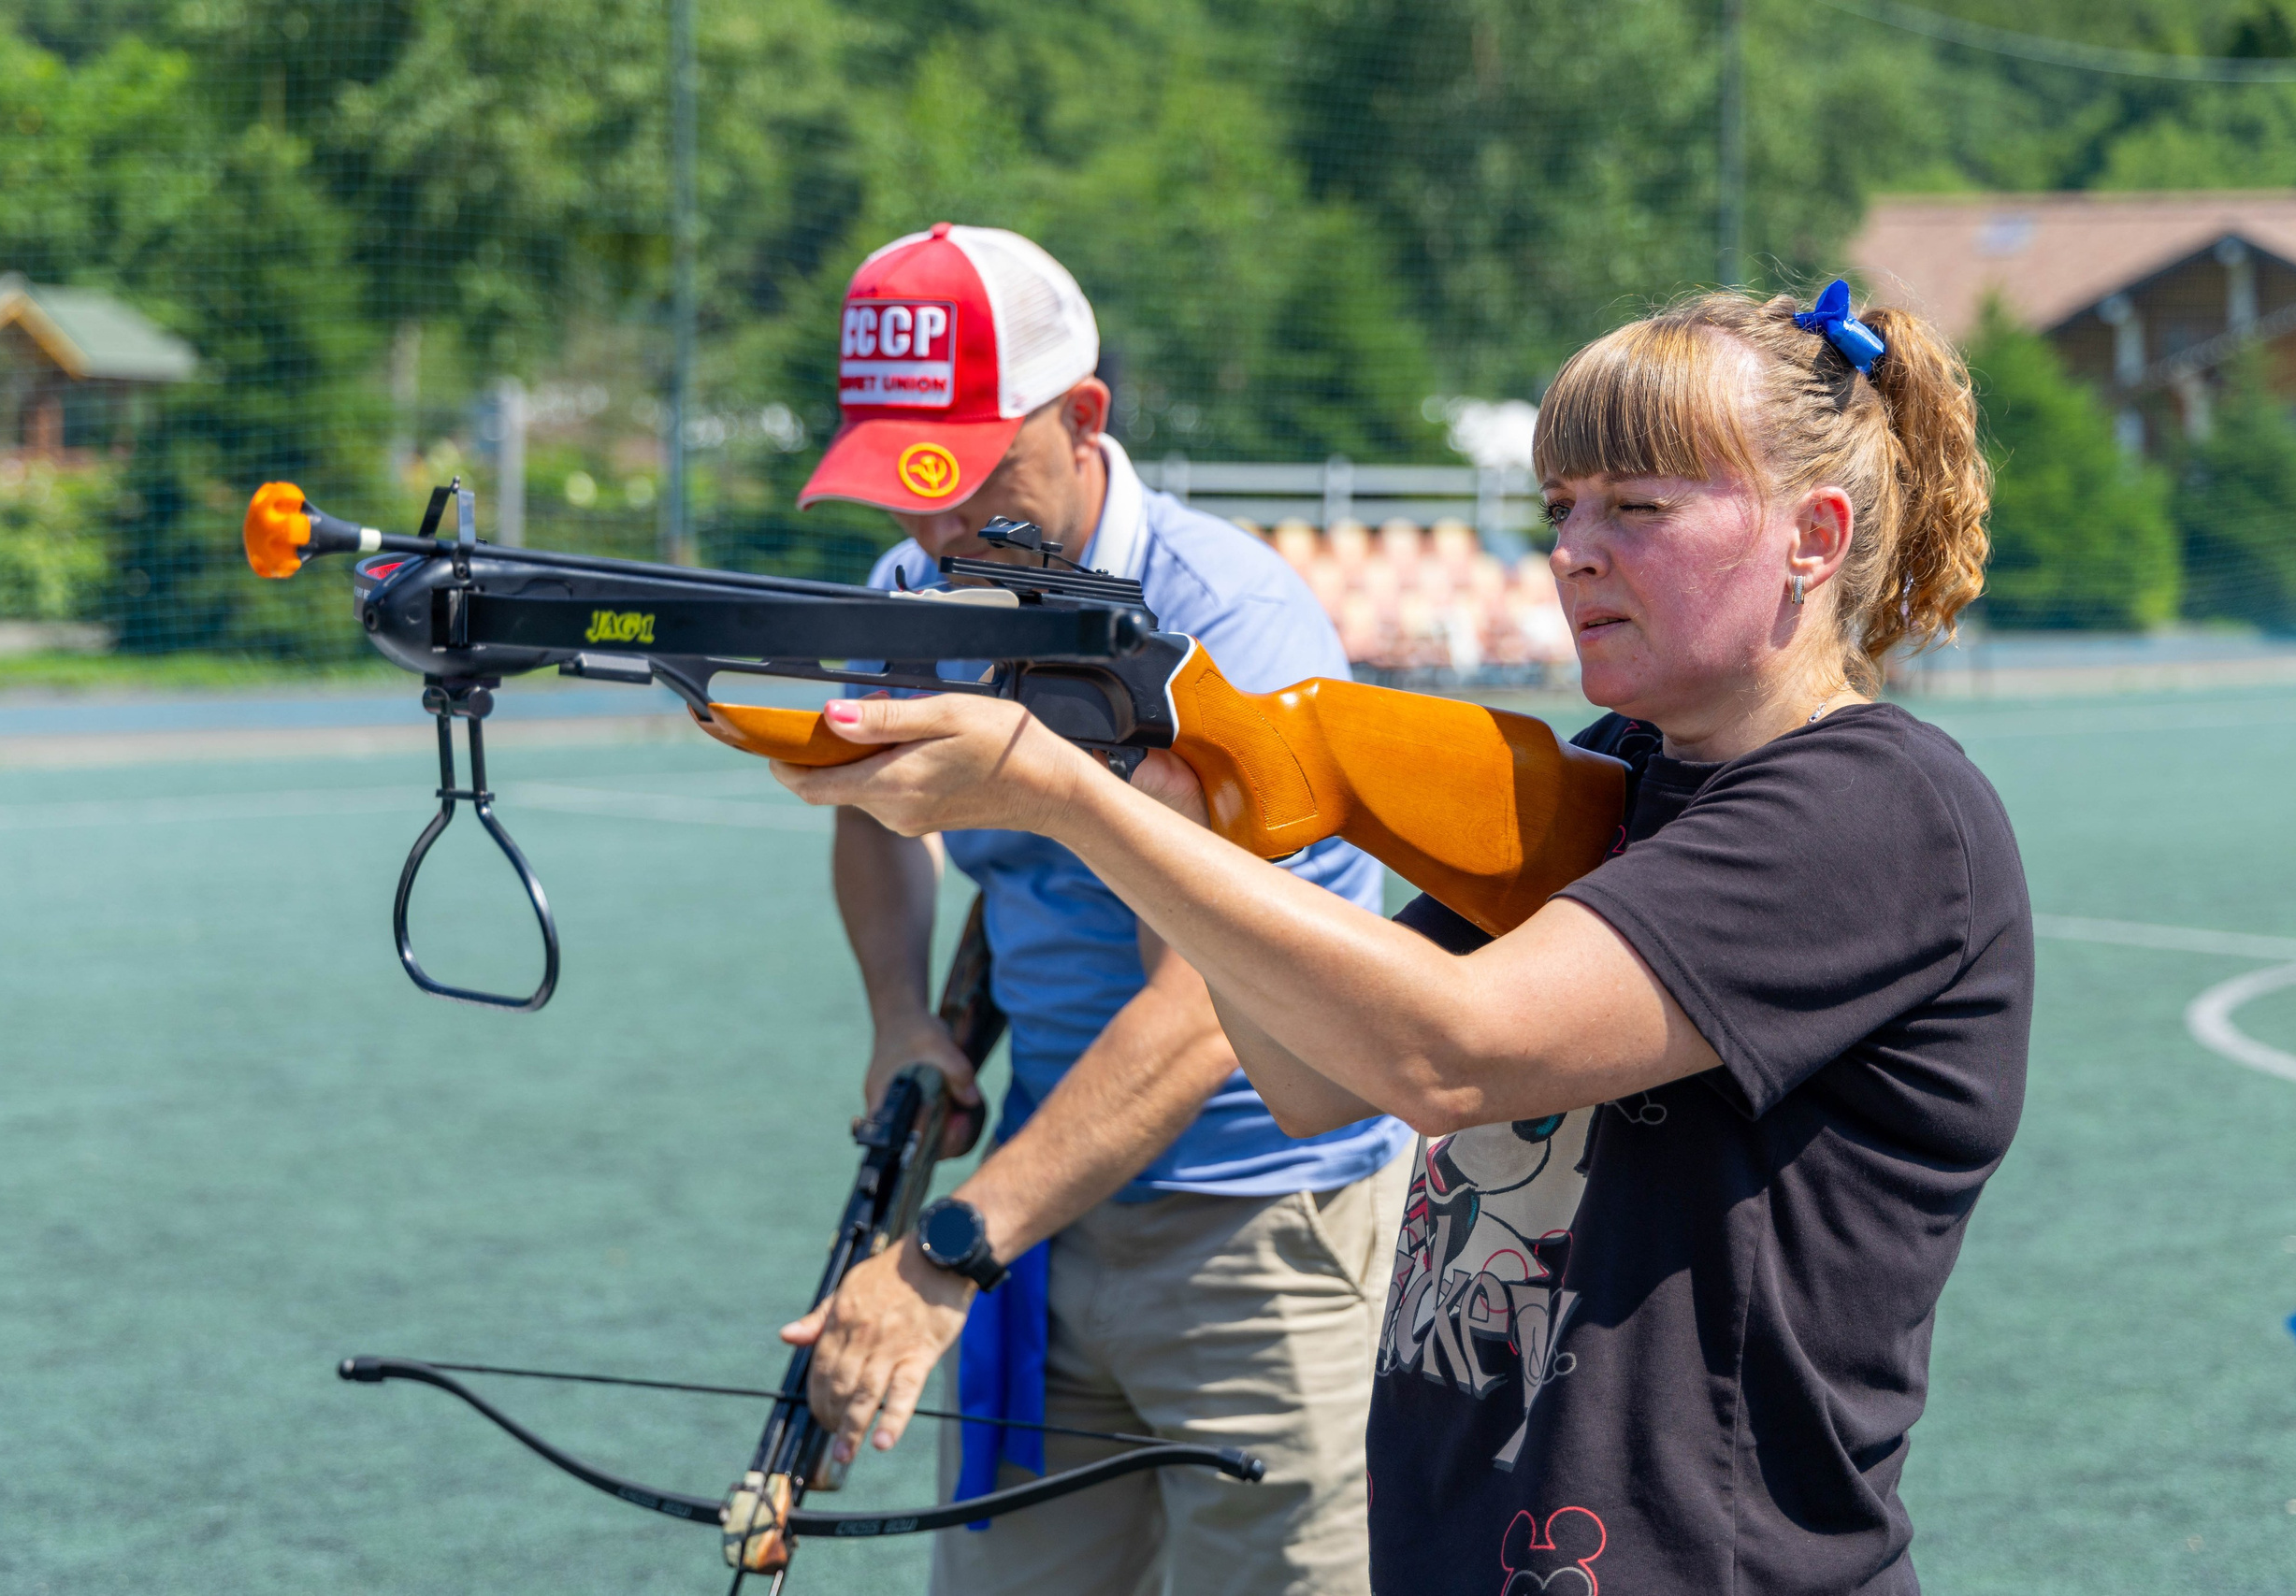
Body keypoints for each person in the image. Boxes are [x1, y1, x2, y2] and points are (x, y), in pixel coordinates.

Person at [770, 282, 2035, 1594]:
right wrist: (1183, 810)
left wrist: (1067, 796)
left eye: (1639, 508)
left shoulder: (1876, 811)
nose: (1575, 551)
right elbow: (1318, 1079)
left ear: (1813, 537)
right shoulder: (1608, 779)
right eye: (1563, 510)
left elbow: (1450, 1056)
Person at [781, 221, 1413, 1596]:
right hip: (1045, 1217)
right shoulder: (916, 587)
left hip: (1264, 1237)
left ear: (1081, 419)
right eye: (902, 484)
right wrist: (900, 1018)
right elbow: (865, 811)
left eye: (968, 476)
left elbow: (1201, 1019)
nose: (934, 531)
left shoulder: (1230, 624)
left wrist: (948, 1253)